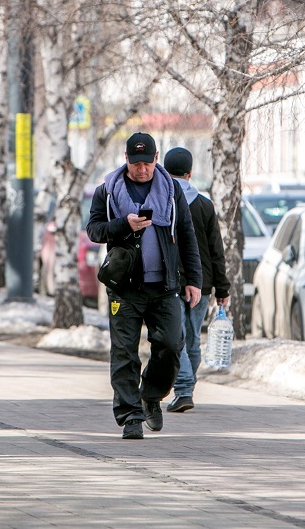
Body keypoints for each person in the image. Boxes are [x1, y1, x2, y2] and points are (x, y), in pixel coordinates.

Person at [86, 132, 202, 439]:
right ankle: (130, 416)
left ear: (156, 158)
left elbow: (187, 236)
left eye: (147, 163)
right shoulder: (108, 191)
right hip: (125, 287)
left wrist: (194, 280)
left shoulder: (171, 190)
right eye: (135, 163)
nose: (142, 169)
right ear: (126, 160)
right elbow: (94, 230)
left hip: (164, 286)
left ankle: (150, 395)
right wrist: (125, 224)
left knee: (171, 346)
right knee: (124, 353)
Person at [162, 147, 231, 413]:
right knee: (191, 338)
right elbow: (217, 250)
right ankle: (186, 390)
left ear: (165, 173)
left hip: (171, 281)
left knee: (176, 337)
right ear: (190, 173)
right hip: (202, 283)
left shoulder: (164, 202)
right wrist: (222, 287)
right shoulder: (204, 205)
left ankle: (184, 387)